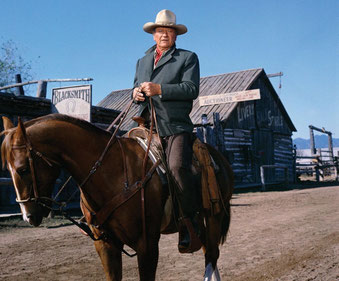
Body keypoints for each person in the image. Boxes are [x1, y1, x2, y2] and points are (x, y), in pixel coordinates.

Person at [132, 9, 201, 252]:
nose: (164, 35)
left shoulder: (187, 58)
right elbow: (135, 87)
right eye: (160, 31)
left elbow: (191, 89)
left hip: (174, 126)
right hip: (144, 125)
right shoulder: (142, 61)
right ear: (153, 35)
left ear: (175, 35)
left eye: (169, 31)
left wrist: (159, 89)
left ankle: (189, 224)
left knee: (176, 168)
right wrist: (136, 93)